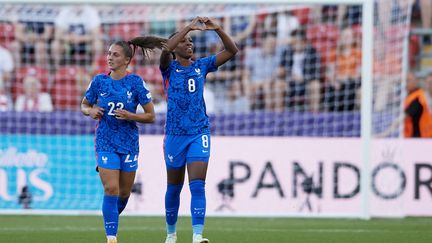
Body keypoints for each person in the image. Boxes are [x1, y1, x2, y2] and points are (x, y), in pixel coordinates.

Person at [158, 16, 238, 243]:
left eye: (191, 40)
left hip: (198, 133)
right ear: (176, 47)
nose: (189, 43)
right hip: (174, 135)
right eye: (184, 41)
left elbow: (232, 51)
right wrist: (186, 28)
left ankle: (197, 235)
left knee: (197, 185)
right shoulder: (168, 68)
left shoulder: (201, 66)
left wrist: (219, 29)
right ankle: (171, 234)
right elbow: (165, 50)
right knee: (174, 188)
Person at [81, 37, 165, 243]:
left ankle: (111, 220)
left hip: (128, 142)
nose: (110, 57)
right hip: (105, 140)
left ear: (127, 60)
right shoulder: (99, 81)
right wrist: (90, 111)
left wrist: (130, 115)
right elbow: (84, 104)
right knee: (111, 188)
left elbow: (151, 116)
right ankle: (111, 237)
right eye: (109, 53)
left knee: (124, 193)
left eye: (115, 54)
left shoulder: (135, 83)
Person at [378, 72, 432, 138]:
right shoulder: (412, 96)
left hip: (420, 138)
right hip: (416, 137)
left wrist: (385, 133)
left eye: (408, 80)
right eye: (405, 80)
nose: (406, 83)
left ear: (416, 81)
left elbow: (403, 117)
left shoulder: (418, 98)